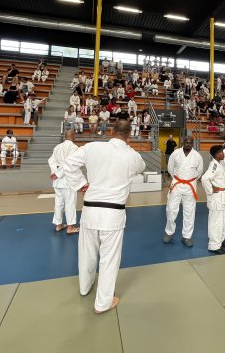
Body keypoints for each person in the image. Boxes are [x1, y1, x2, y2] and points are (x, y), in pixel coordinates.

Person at [63, 120, 145, 314]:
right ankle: (102, 303)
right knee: (109, 260)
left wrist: (81, 184)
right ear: (129, 136)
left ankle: (85, 287)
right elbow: (141, 167)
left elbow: (68, 164)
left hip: (90, 210)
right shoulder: (133, 156)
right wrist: (128, 147)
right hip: (113, 214)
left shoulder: (92, 147)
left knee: (86, 253)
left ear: (111, 131)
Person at [163, 137, 204, 247]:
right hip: (177, 183)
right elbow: (170, 168)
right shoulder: (175, 153)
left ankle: (186, 236)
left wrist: (190, 179)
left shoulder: (197, 156)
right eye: (186, 142)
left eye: (190, 142)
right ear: (182, 142)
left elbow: (199, 172)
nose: (188, 144)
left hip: (190, 185)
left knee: (189, 211)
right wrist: (178, 179)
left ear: (193, 143)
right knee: (171, 209)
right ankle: (169, 232)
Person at [201, 145, 225, 254]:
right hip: (216, 197)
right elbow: (204, 179)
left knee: (221, 220)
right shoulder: (214, 165)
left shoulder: (219, 164)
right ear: (217, 154)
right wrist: (211, 189)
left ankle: (220, 240)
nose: (223, 154)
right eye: (222, 152)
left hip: (221, 195)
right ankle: (213, 245)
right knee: (215, 222)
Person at [48, 130, 80, 234]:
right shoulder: (74, 147)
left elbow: (51, 160)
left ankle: (58, 224)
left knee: (59, 203)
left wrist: (54, 172)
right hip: (68, 180)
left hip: (57, 181)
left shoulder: (57, 147)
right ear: (73, 136)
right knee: (70, 203)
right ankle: (70, 227)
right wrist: (58, 174)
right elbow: (69, 163)